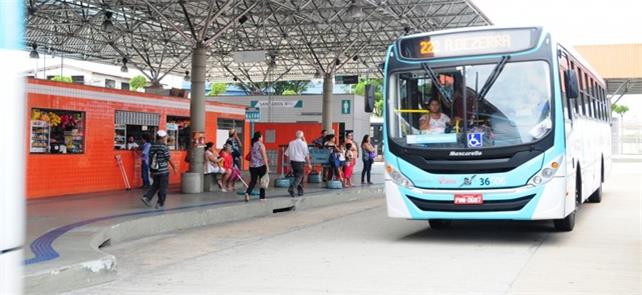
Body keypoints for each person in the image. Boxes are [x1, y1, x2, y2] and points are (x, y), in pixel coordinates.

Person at [141, 130, 176, 209]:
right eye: (165, 137)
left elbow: (150, 158)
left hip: (155, 170)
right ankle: (160, 203)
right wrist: (174, 167)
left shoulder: (152, 146)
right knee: (163, 187)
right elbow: (168, 158)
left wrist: (151, 170)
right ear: (163, 137)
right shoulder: (164, 146)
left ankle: (146, 197)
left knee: (155, 185)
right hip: (163, 171)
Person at [285, 130, 312, 197]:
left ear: (295, 135)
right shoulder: (303, 144)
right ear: (302, 136)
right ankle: (292, 188)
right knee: (299, 177)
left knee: (298, 176)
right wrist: (309, 163)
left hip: (293, 162)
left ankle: (300, 191)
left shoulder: (291, 143)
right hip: (300, 162)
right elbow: (306, 154)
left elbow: (287, 154)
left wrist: (288, 164)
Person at [245, 132, 269, 202]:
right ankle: (262, 197)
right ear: (259, 137)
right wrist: (267, 166)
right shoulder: (261, 145)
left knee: (253, 181)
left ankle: (247, 193)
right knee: (262, 181)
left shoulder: (253, 144)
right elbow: (264, 156)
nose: (262, 138)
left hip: (252, 166)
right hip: (261, 166)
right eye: (262, 136)